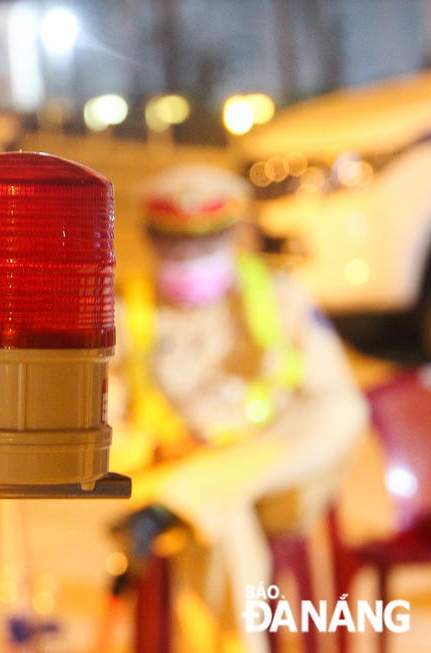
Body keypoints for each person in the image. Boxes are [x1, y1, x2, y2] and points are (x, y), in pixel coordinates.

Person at [100, 164, 369, 653]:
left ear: (233, 236)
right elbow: (101, 430)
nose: (190, 258)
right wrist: (159, 446)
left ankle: (187, 498)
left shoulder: (278, 293)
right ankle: (190, 498)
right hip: (170, 468)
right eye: (176, 246)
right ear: (151, 239)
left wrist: (232, 449)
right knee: (219, 519)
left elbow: (327, 396)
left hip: (280, 480)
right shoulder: (119, 310)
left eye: (204, 245)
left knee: (343, 410)